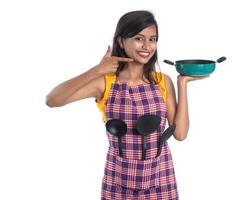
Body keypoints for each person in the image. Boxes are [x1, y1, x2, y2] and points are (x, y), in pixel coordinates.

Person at [46, 10, 208, 200]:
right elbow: (52, 100)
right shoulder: (105, 83)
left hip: (160, 179)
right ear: (122, 42)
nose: (147, 46)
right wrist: (96, 70)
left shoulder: (162, 81)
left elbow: (180, 134)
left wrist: (182, 84)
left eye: (153, 39)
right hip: (118, 182)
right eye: (139, 38)